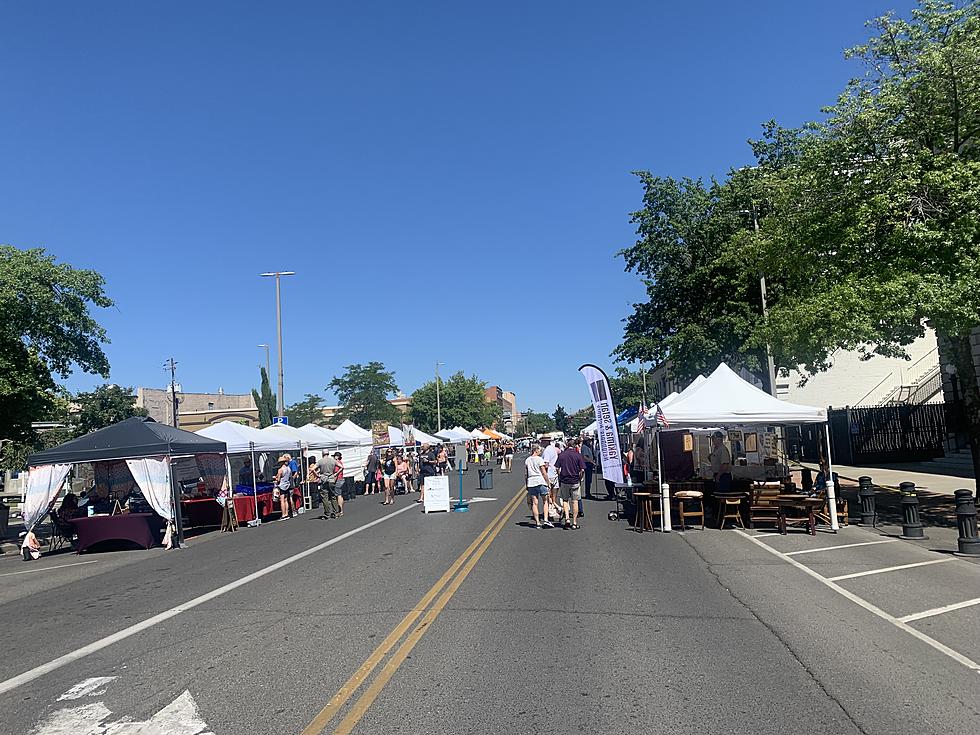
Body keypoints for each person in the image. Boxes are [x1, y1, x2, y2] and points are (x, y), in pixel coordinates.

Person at [555, 438, 586, 529]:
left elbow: (557, 467)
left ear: (567, 445)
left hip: (564, 480)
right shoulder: (578, 455)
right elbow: (582, 469)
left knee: (565, 500)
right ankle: (575, 522)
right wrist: (580, 477)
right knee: (575, 501)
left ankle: (567, 519)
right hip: (575, 480)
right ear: (574, 445)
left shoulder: (562, 455)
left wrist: (560, 474)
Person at [524, 445, 552, 528]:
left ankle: (537, 522)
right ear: (535, 450)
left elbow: (526, 474)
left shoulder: (527, 460)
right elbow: (543, 472)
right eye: (539, 450)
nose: (540, 452)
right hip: (540, 481)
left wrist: (526, 484)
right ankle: (546, 519)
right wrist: (548, 482)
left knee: (534, 503)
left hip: (531, 482)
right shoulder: (540, 459)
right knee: (545, 500)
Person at [540, 436, 560, 509]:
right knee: (554, 495)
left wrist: (543, 474)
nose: (541, 443)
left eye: (542, 441)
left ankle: (554, 508)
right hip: (554, 473)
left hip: (549, 474)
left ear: (546, 442)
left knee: (547, 495)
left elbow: (546, 464)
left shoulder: (547, 451)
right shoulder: (553, 448)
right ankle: (554, 509)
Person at [274, 454, 293, 520]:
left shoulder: (280, 470)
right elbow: (290, 476)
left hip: (281, 485)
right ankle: (287, 513)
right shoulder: (288, 468)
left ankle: (283, 514)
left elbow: (278, 479)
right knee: (286, 500)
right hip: (287, 485)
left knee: (282, 500)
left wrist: (275, 478)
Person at [330, 452, 345, 517]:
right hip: (341, 479)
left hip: (338, 480)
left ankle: (340, 510)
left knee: (337, 495)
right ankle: (341, 510)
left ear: (337, 457)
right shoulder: (340, 462)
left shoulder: (337, 463)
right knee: (340, 495)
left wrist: (334, 477)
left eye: (334, 456)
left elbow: (336, 472)